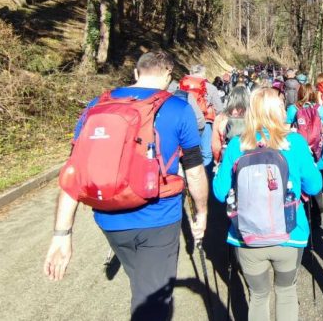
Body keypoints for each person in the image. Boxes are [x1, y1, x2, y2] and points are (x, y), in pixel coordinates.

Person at [44, 51, 209, 320]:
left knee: (141, 281)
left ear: (136, 73)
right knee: (153, 301)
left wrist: (62, 233)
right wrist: (201, 212)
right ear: (169, 75)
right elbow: (194, 171)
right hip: (159, 218)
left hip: (108, 219)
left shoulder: (97, 105)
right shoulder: (179, 108)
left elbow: (74, 169)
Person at [213, 88, 322, 321]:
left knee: (258, 296)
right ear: (279, 111)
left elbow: (220, 193)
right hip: (290, 234)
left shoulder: (237, 145)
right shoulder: (294, 143)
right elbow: (315, 186)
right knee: (286, 292)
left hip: (246, 236)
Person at [286, 84, 323, 226]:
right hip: (318, 154)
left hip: (300, 153)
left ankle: (304, 215)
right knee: (315, 182)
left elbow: (285, 131)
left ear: (299, 94)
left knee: (301, 181)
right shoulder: (320, 109)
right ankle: (317, 214)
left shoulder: (293, 109)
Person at [211, 85, 250, 164]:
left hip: (228, 159)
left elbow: (216, 147)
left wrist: (218, 160)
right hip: (248, 160)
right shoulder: (252, 117)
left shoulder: (221, 118)